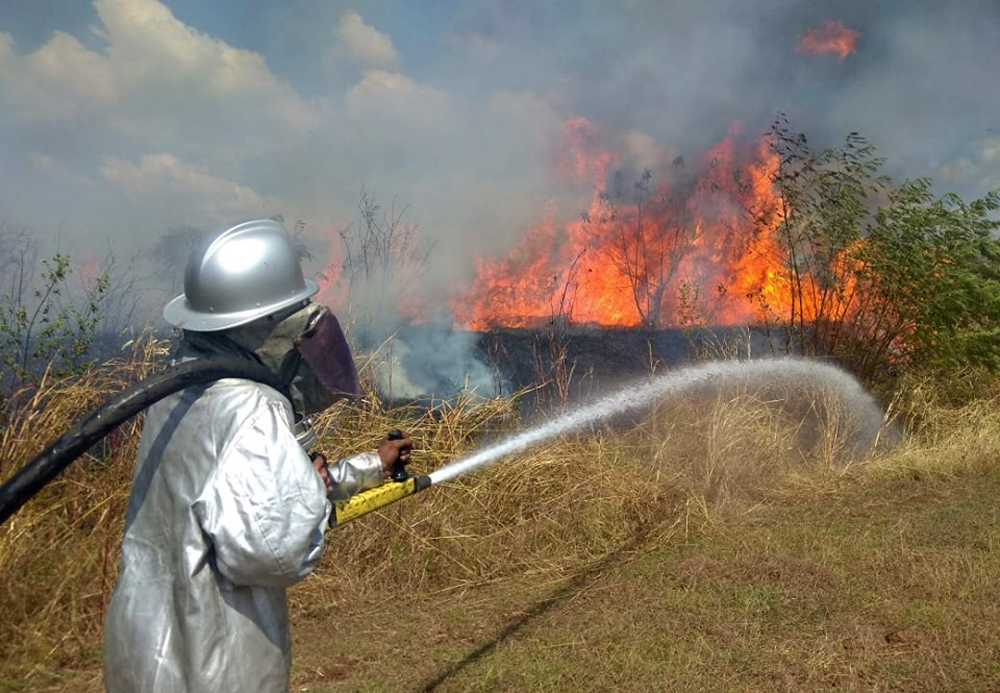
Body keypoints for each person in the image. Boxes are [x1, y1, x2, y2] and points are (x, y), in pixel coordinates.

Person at [102, 219, 412, 693]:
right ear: (263, 324)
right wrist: (310, 491)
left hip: (143, 651)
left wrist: (374, 466)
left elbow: (238, 492)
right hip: (214, 661)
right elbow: (276, 551)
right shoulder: (251, 405)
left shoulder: (177, 390)